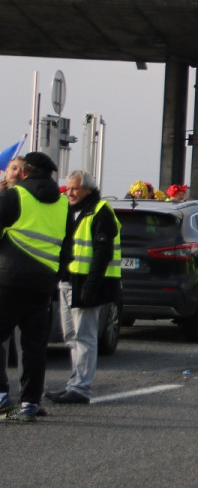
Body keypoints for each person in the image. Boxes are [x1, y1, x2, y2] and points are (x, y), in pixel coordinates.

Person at [0, 152, 69, 422]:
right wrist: (53, 276)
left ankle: (2, 397)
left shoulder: (13, 196)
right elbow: (68, 248)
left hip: (7, 278)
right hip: (42, 284)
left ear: (25, 173)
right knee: (34, 345)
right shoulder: (63, 204)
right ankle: (29, 402)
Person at [46, 170, 122, 405]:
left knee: (84, 336)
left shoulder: (101, 211)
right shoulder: (69, 210)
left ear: (88, 189)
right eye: (68, 187)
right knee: (70, 335)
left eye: (75, 188)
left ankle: (81, 388)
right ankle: (74, 383)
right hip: (69, 281)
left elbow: (103, 252)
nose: (69, 192)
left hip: (88, 283)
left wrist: (91, 285)